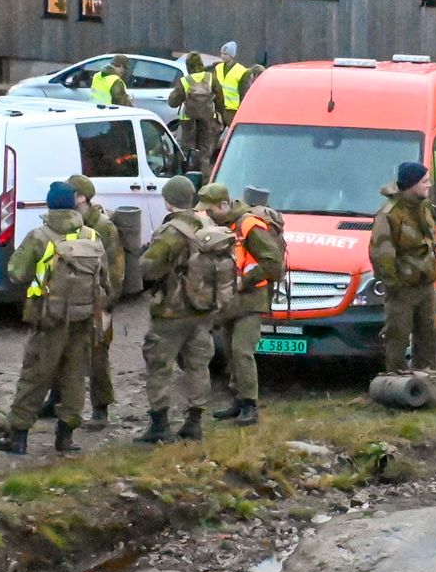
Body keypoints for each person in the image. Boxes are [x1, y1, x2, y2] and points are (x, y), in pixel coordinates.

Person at [1, 183, 109, 455]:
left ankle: (19, 437)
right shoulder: (91, 235)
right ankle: (65, 438)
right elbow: (104, 278)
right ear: (74, 204)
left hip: (47, 319)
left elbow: (16, 272)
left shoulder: (39, 236)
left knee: (35, 376)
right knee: (75, 377)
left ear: (49, 205)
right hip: (83, 318)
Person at [135, 176, 216, 443]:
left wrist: (144, 256)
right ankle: (194, 422)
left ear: (168, 201)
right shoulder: (209, 225)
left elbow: (149, 268)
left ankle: (160, 424)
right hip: (203, 307)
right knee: (198, 365)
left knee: (160, 364)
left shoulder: (171, 231)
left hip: (172, 309)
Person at [210, 184, 285, 425]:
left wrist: (247, 279)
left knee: (243, 352)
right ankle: (239, 401)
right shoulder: (225, 225)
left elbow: (274, 265)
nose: (207, 214)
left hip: (251, 298)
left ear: (223, 205)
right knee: (231, 353)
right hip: (231, 301)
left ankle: (250, 406)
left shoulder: (249, 225)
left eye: (210, 209)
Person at [55, 174, 124, 430]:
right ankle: (58, 400)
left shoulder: (104, 227)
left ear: (81, 197)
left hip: (97, 300)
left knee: (97, 356)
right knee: (62, 348)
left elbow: (116, 269)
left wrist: (106, 302)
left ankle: (101, 408)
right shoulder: (70, 223)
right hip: (71, 299)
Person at [370, 161, 436, 374]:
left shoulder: (423, 205)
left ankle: (426, 376)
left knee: (428, 331)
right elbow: (381, 254)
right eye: (425, 181)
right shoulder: (390, 214)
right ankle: (396, 379)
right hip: (402, 287)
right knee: (397, 334)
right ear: (412, 184)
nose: (429, 185)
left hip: (425, 283)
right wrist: (394, 284)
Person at [167, 54, 225, 170]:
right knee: (205, 153)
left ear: (188, 67)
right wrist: (219, 117)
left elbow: (172, 103)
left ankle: (189, 175)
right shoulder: (210, 78)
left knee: (187, 151)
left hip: (189, 122)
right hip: (208, 120)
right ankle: (203, 179)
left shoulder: (184, 81)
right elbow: (220, 100)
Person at [213, 42, 253, 121]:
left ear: (231, 56)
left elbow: (244, 93)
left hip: (233, 110)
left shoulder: (242, 71)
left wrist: (242, 110)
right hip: (219, 108)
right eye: (222, 54)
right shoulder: (218, 68)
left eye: (225, 54)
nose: (222, 56)